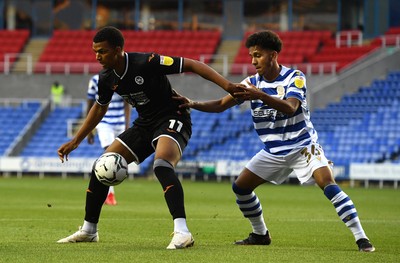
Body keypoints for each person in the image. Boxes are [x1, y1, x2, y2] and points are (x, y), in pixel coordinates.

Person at [173, 30, 375, 252]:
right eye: (251, 55)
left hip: (303, 147)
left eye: (258, 55)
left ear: (273, 55)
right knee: (240, 187)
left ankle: (361, 238)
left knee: (327, 184)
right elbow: (221, 105)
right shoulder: (250, 83)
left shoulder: (294, 77)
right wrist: (192, 103)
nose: (253, 61)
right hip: (273, 151)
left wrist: (259, 95)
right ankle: (260, 234)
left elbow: (290, 108)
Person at [56, 26, 241, 249]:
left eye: (102, 51)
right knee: (101, 165)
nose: (97, 56)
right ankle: (89, 230)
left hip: (174, 116)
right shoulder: (106, 77)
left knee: (162, 165)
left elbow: (192, 64)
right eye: (95, 51)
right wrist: (76, 140)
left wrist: (228, 86)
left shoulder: (147, 62)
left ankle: (183, 232)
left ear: (118, 50)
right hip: (145, 123)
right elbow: (99, 107)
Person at [86, 74, 131, 205]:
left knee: (117, 158)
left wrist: (127, 126)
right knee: (109, 156)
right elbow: (90, 104)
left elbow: (126, 103)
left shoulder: (122, 78)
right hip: (104, 122)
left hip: (120, 123)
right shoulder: (95, 80)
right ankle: (109, 194)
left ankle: (107, 190)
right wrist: (89, 129)